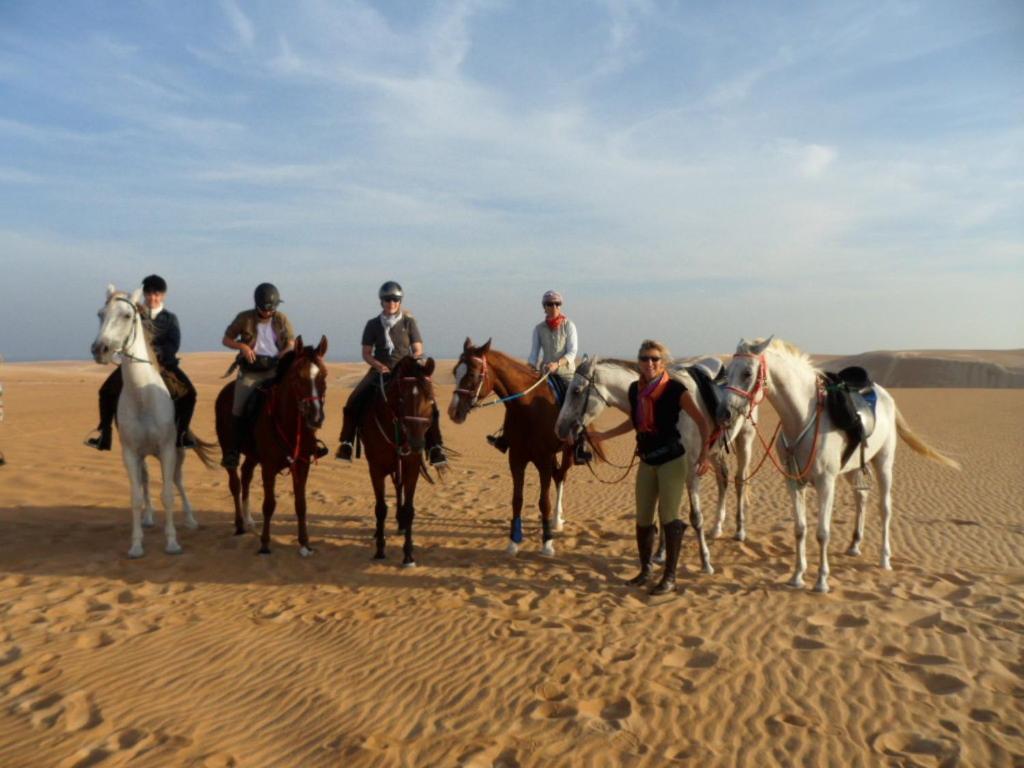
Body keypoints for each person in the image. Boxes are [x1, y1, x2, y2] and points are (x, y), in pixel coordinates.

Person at [589, 340, 711, 596]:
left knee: (670, 518)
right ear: (639, 361)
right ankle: (645, 570)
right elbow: (635, 421)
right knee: (643, 519)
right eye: (644, 358)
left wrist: (704, 454)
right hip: (647, 461)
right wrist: (605, 436)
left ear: (662, 362)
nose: (649, 363)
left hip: (671, 461)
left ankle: (670, 577)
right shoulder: (636, 389)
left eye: (654, 358)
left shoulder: (676, 389)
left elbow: (702, 421)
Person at [336, 281, 447, 467]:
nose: (391, 303)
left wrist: (412, 363)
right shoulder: (372, 324)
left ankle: (435, 447)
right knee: (354, 398)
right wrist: (378, 366)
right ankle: (346, 443)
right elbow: (366, 353)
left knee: (430, 403)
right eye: (387, 299)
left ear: (400, 301)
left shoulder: (409, 322)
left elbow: (418, 349)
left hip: (405, 371)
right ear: (382, 301)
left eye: (395, 299)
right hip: (381, 370)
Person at [86, 274, 197, 451]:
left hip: (163, 365)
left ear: (163, 296)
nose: (153, 298)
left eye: (157, 294)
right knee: (106, 392)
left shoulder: (170, 318)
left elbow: (173, 343)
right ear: (144, 295)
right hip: (134, 364)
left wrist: (158, 354)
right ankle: (104, 435)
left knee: (190, 394)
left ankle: (182, 434)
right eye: (150, 294)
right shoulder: (135, 313)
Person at [489, 289, 580, 455]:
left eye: (557, 304)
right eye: (550, 304)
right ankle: (505, 436)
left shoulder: (569, 326)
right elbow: (534, 354)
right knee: (518, 397)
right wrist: (528, 368)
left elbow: (572, 352)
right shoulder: (539, 329)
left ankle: (579, 443)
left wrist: (557, 364)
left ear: (561, 306)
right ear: (544, 307)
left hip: (566, 373)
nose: (554, 307)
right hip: (545, 374)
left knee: (574, 401)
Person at [220, 282, 296, 469]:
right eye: (266, 309)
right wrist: (243, 347)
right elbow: (226, 339)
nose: (270, 312)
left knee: (298, 399)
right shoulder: (244, 318)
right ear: (257, 305)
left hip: (276, 371)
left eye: (273, 308)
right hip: (251, 373)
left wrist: (284, 352)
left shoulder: (281, 319)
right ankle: (233, 451)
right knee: (238, 408)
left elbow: (291, 342)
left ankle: (304, 445)